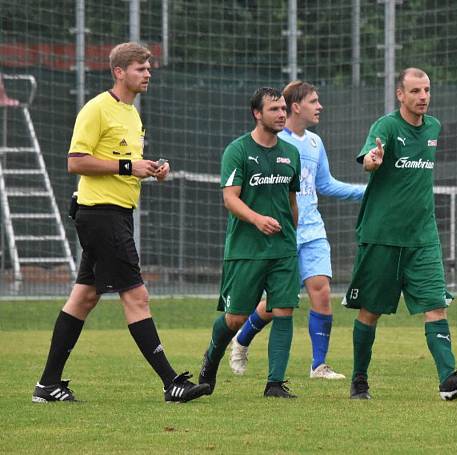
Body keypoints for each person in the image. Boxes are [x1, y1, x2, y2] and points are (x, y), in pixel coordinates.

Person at [32, 42, 209, 403]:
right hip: (101, 215)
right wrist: (130, 167)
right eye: (140, 68)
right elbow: (75, 162)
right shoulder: (96, 109)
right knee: (137, 295)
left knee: (83, 298)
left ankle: (47, 385)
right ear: (119, 71)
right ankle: (171, 382)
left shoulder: (132, 113)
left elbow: (128, 162)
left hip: (115, 215)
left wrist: (152, 170)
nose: (148, 74)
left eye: (148, 68)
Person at [343, 68, 457, 401]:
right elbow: (369, 158)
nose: (423, 97)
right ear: (400, 95)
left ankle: (448, 380)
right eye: (415, 91)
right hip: (382, 236)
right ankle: (359, 380)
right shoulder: (386, 126)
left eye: (427, 90)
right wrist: (373, 160)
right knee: (370, 311)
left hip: (423, 238)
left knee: (436, 306)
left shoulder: (434, 127)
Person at [228, 80, 365, 380]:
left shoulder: (315, 143)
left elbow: (325, 184)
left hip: (313, 229)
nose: (320, 107)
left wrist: (366, 192)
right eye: (314, 101)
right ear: (296, 106)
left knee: (322, 291)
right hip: (281, 232)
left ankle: (319, 365)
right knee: (276, 304)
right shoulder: (275, 142)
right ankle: (241, 339)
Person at [198, 87, 302, 399]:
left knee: (283, 309)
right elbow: (230, 199)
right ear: (257, 114)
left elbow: (292, 201)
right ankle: (211, 360)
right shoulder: (238, 151)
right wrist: (257, 219)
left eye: (284, 108)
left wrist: (290, 235)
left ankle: (274, 384)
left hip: (282, 249)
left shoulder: (291, 153)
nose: (282, 114)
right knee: (236, 318)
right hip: (246, 249)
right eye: (274, 109)